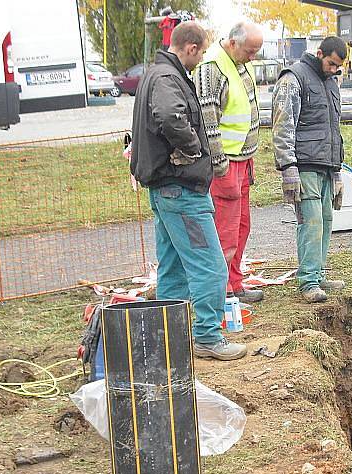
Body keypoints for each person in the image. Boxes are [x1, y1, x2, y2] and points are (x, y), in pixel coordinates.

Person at [130, 21, 247, 361]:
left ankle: (171, 337)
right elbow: (169, 116)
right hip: (181, 190)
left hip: (166, 189)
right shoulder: (169, 78)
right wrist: (195, 147)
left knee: (173, 267)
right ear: (192, 48)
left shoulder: (156, 74)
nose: (201, 60)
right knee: (211, 266)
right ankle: (207, 336)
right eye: (201, 52)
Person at [272, 37, 348, 303]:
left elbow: (333, 128)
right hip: (304, 165)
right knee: (311, 223)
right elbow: (282, 126)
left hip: (326, 165)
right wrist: (288, 168)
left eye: (338, 67)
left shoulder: (331, 83)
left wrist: (337, 170)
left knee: (326, 221)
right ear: (319, 54)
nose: (333, 70)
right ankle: (308, 280)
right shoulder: (293, 78)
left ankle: (318, 273)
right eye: (330, 64)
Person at [194, 22, 265, 304]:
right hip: (225, 164)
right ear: (233, 43)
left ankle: (234, 282)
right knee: (225, 228)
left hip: (242, 160)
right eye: (250, 51)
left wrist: (249, 155)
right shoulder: (212, 68)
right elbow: (208, 119)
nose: (253, 57)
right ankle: (220, 289)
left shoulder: (239, 63)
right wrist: (219, 163)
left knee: (241, 226)